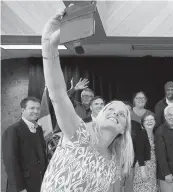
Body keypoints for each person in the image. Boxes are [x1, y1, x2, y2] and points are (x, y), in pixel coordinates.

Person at [39, 8, 133, 191]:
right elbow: (57, 94)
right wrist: (48, 45)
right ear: (99, 115)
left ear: (123, 128)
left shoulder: (113, 164)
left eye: (122, 114)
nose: (115, 113)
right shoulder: (78, 134)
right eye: (111, 109)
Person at [2, 97, 48, 192]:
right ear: (23, 110)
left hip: (40, 184)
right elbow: (11, 162)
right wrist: (20, 188)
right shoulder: (13, 130)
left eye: (38, 108)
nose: (36, 111)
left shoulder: (39, 129)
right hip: (23, 187)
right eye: (32, 108)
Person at [155, 106, 173, 192]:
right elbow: (160, 155)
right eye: (170, 115)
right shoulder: (160, 131)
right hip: (168, 173)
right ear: (165, 116)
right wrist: (166, 173)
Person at [120, 101, 142, 192]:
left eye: (129, 110)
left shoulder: (137, 125)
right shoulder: (114, 123)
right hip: (117, 164)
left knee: (129, 189)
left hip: (131, 163)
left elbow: (139, 145)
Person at [133, 113, 158, 192]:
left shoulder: (154, 134)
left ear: (155, 121)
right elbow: (139, 154)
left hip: (152, 167)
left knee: (151, 189)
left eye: (151, 120)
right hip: (143, 166)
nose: (149, 122)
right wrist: (143, 171)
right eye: (147, 120)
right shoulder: (141, 135)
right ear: (143, 123)